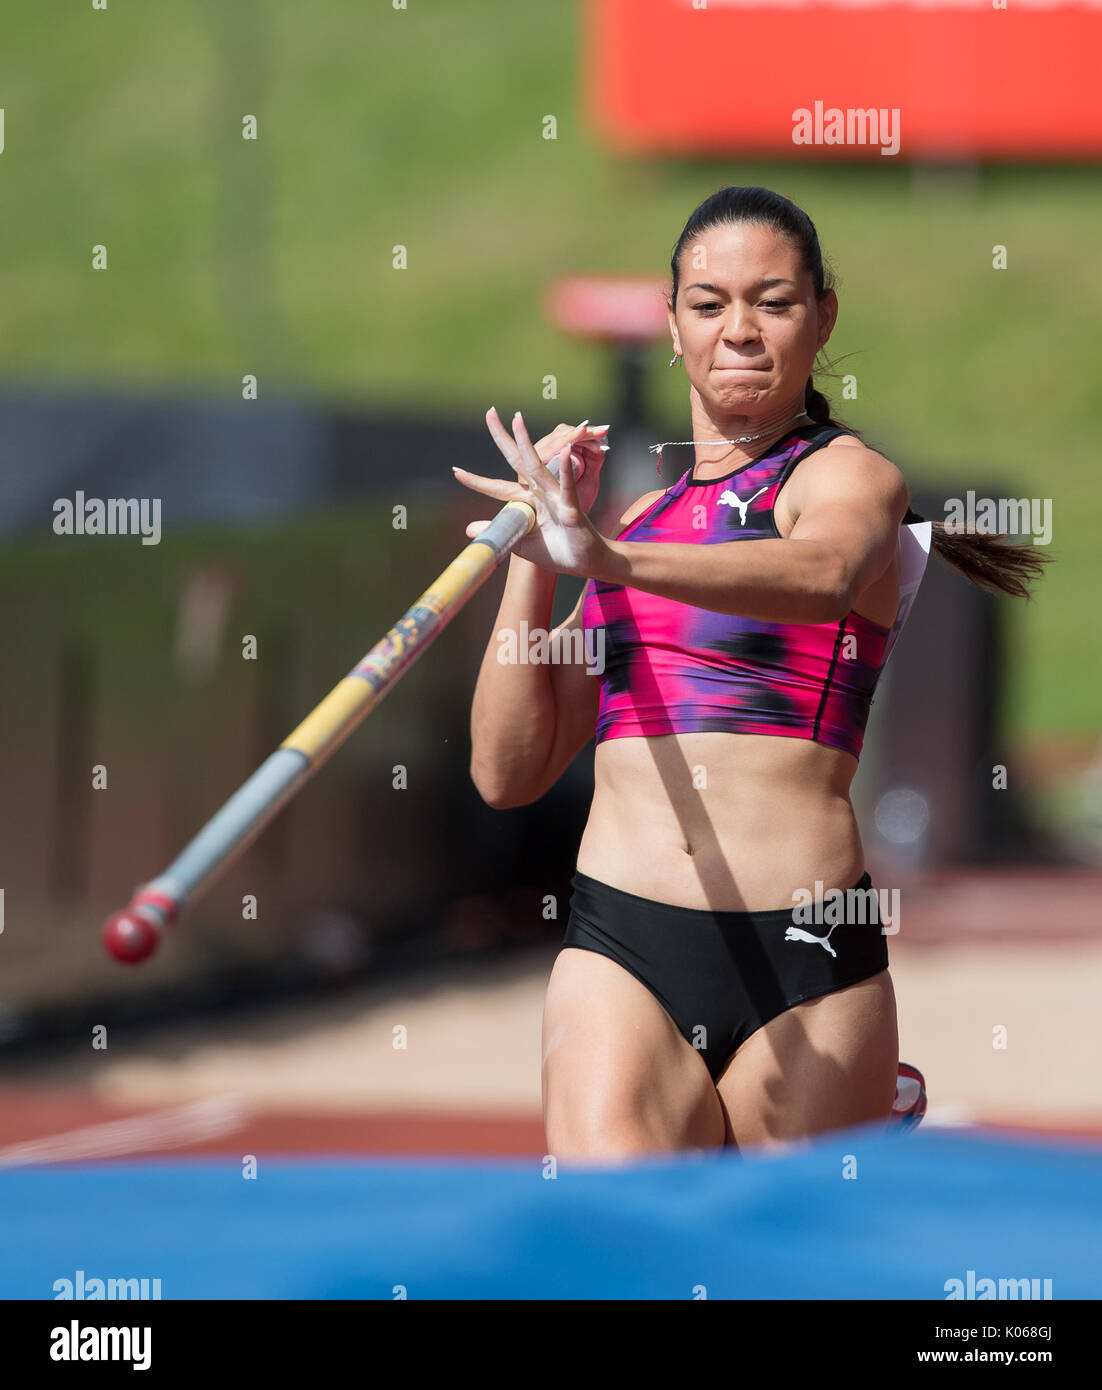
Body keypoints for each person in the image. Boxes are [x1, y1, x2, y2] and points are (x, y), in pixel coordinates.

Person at [454, 186, 1046, 1163]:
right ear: (673, 322)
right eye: (708, 302)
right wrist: (535, 553)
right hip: (625, 950)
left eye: (772, 301)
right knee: (622, 1245)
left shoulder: (844, 479)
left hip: (807, 956)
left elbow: (820, 576)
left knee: (785, 1265)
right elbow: (506, 773)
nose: (739, 330)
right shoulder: (636, 525)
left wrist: (600, 558)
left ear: (822, 317)